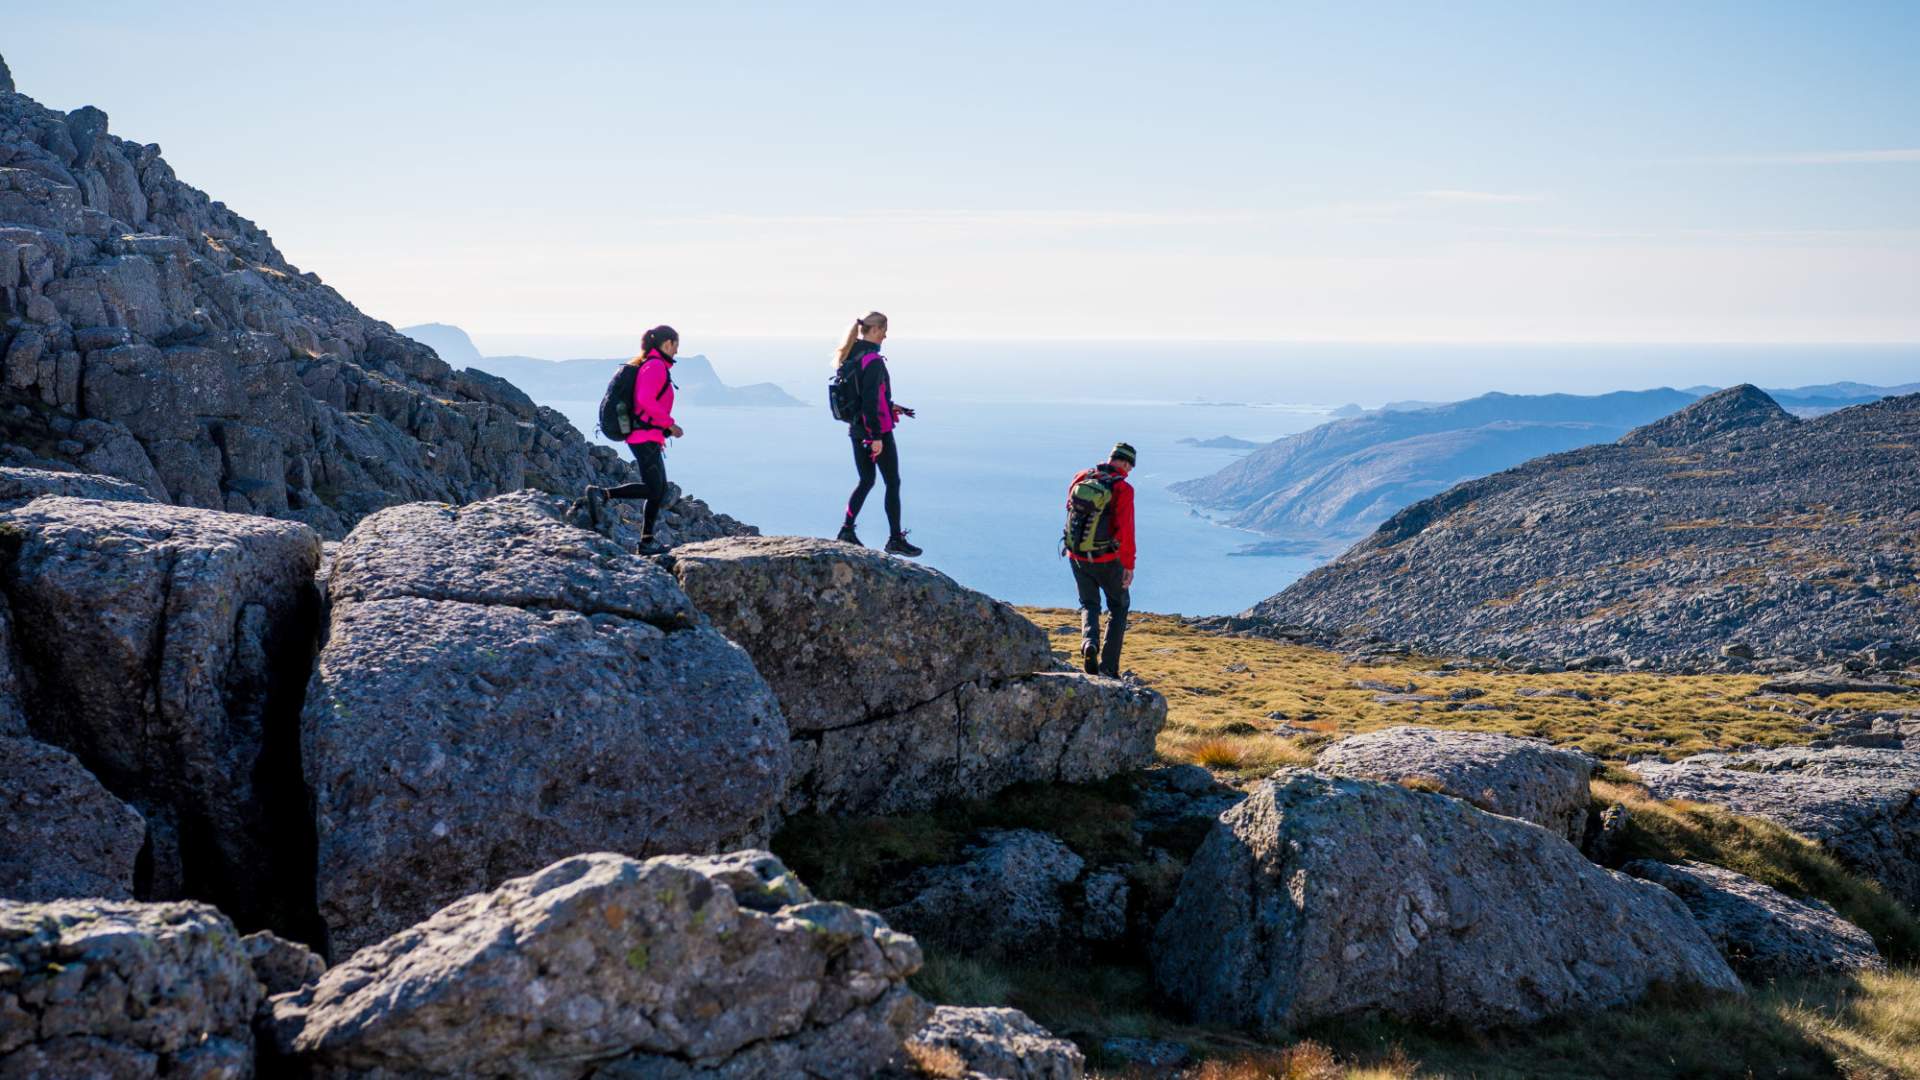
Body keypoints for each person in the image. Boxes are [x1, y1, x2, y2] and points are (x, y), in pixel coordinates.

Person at [583, 325, 683, 555]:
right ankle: (602, 494)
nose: (677, 352)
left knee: (658, 489)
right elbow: (645, 400)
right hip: (643, 436)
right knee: (655, 488)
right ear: (667, 344)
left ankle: (646, 540)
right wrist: (669, 424)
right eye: (676, 346)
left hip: (646, 435)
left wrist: (663, 428)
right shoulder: (655, 366)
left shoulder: (650, 364)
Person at [833, 312, 921, 556]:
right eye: (884, 330)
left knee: (866, 481)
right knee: (892, 482)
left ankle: (847, 530)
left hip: (857, 428)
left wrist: (893, 406)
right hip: (875, 430)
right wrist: (876, 438)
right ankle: (895, 539)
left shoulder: (852, 355)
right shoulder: (872, 360)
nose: (886, 335)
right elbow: (870, 401)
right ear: (874, 330)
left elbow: (863, 396)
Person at [1063, 442, 1137, 677]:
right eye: (1130, 467)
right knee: (1118, 605)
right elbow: (1126, 531)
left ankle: (1089, 643)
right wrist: (1128, 565)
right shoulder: (1123, 489)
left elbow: (1069, 508)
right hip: (1105, 558)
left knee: (1089, 603)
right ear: (1125, 463)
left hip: (1076, 555)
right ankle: (1108, 668)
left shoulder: (1082, 477)